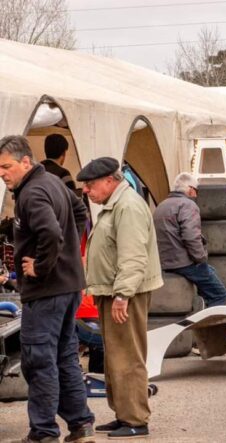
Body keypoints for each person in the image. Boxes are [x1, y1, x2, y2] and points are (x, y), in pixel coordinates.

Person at [0, 135, 94, 443]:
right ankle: (81, 425)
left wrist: (41, 265)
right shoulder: (54, 183)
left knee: (38, 359)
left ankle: (43, 432)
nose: (2, 173)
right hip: (67, 287)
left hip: (47, 290)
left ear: (25, 162)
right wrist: (67, 256)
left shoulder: (32, 193)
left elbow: (51, 234)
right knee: (65, 355)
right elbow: (81, 213)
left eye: (6, 167)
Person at [79, 157, 163, 439]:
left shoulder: (127, 207)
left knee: (127, 355)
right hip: (113, 290)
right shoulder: (117, 204)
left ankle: (136, 419)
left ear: (109, 181)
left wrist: (122, 295)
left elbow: (133, 255)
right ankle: (124, 414)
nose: (87, 191)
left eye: (90, 185)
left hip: (125, 293)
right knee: (116, 355)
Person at [153, 172, 226, 307]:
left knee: (211, 271)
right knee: (220, 295)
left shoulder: (161, 206)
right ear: (190, 189)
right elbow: (191, 236)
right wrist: (201, 258)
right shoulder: (188, 205)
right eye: (196, 191)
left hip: (165, 264)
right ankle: (208, 326)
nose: (196, 195)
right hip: (184, 264)